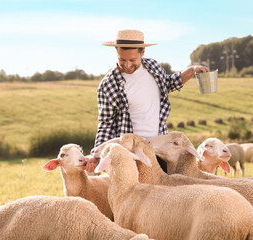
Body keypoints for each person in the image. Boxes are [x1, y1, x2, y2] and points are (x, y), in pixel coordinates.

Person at [85, 29, 208, 172]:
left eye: (132, 60)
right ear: (116, 52)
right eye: (122, 59)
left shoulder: (153, 67)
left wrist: (192, 70)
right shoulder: (108, 84)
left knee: (163, 192)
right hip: (130, 154)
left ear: (142, 52)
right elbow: (106, 123)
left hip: (159, 149)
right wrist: (97, 155)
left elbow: (168, 83)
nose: (127, 65)